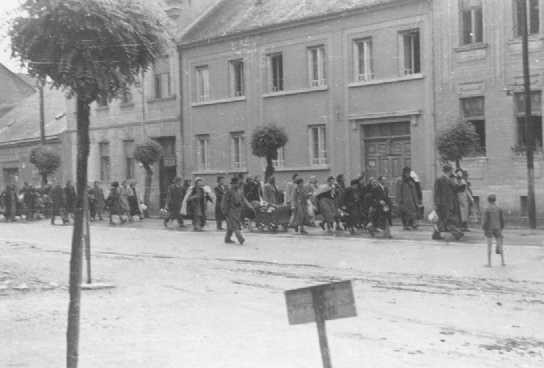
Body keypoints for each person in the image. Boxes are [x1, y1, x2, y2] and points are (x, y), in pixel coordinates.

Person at [433, 165, 463, 241]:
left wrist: (460, 180)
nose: (452, 172)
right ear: (449, 171)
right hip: (442, 203)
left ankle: (439, 234)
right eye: (451, 170)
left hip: (449, 203)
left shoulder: (449, 179)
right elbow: (436, 192)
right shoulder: (439, 179)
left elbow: (456, 189)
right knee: (443, 219)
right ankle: (440, 234)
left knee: (446, 219)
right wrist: (437, 203)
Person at [221, 177, 253, 245]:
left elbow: (244, 199)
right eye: (235, 184)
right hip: (230, 211)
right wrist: (225, 211)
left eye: (237, 183)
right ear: (232, 184)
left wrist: (250, 206)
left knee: (231, 226)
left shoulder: (240, 191)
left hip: (238, 211)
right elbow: (224, 202)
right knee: (235, 225)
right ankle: (240, 238)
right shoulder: (228, 192)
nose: (237, 185)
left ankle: (227, 239)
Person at [482, 194, 505, 267]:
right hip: (498, 228)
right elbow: (502, 219)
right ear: (495, 200)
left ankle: (489, 263)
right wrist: (501, 228)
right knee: (500, 245)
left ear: (488, 200)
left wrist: (483, 228)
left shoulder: (487, 209)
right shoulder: (499, 208)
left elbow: (485, 221)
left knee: (489, 246)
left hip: (489, 229)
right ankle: (502, 262)